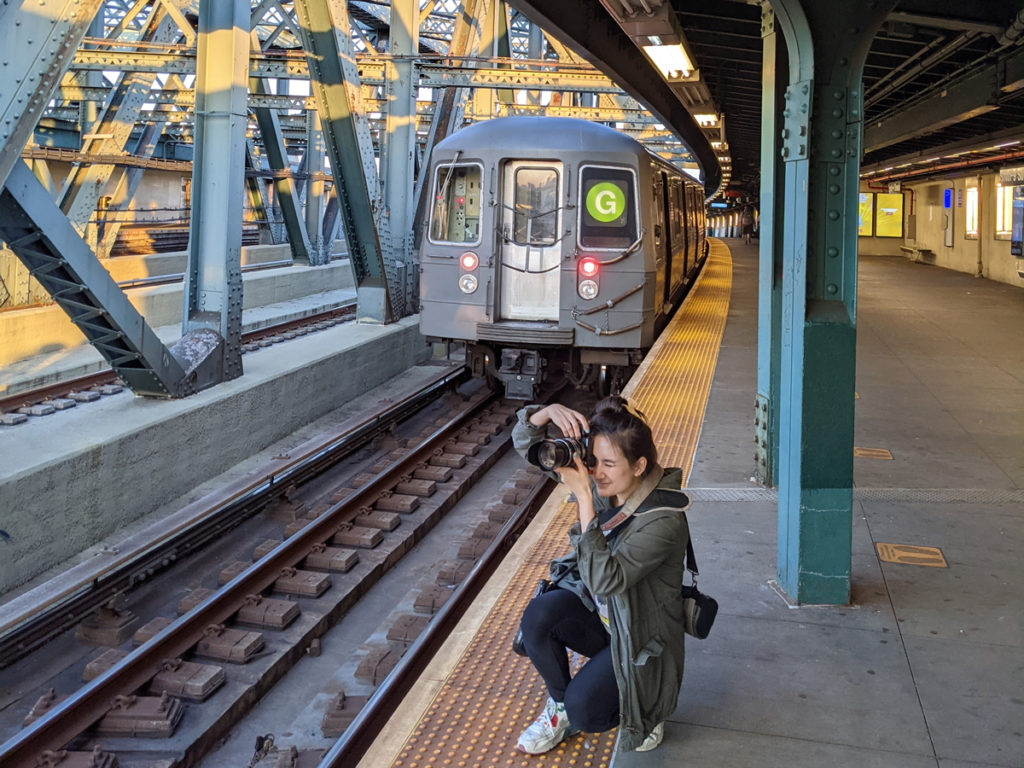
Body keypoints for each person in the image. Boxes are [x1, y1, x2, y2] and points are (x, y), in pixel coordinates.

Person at [510, 396, 690, 754]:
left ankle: (647, 711)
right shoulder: (606, 484)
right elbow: (531, 447)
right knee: (539, 615)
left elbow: (607, 580)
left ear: (639, 465)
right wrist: (545, 413)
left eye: (609, 463)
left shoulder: (664, 519)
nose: (598, 472)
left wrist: (584, 500)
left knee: (587, 710)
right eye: (594, 461)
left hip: (638, 637)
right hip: (607, 621)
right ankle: (560, 707)